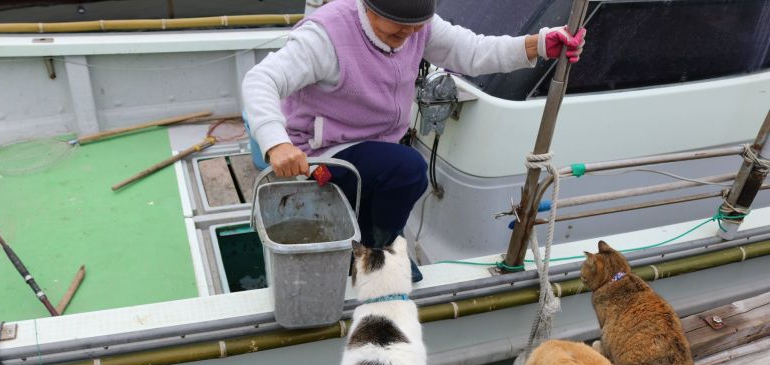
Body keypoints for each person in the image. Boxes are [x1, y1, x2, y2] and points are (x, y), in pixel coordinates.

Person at [242, 0, 586, 282]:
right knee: (409, 169)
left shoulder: (418, 28)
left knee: (395, 169)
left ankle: (372, 244)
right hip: (325, 154)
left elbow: (474, 51)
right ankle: (373, 257)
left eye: (414, 30)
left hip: (376, 149)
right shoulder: (327, 35)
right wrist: (277, 143)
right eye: (395, 29)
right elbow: (260, 81)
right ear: (368, 8)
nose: (406, 39)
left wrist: (537, 45)